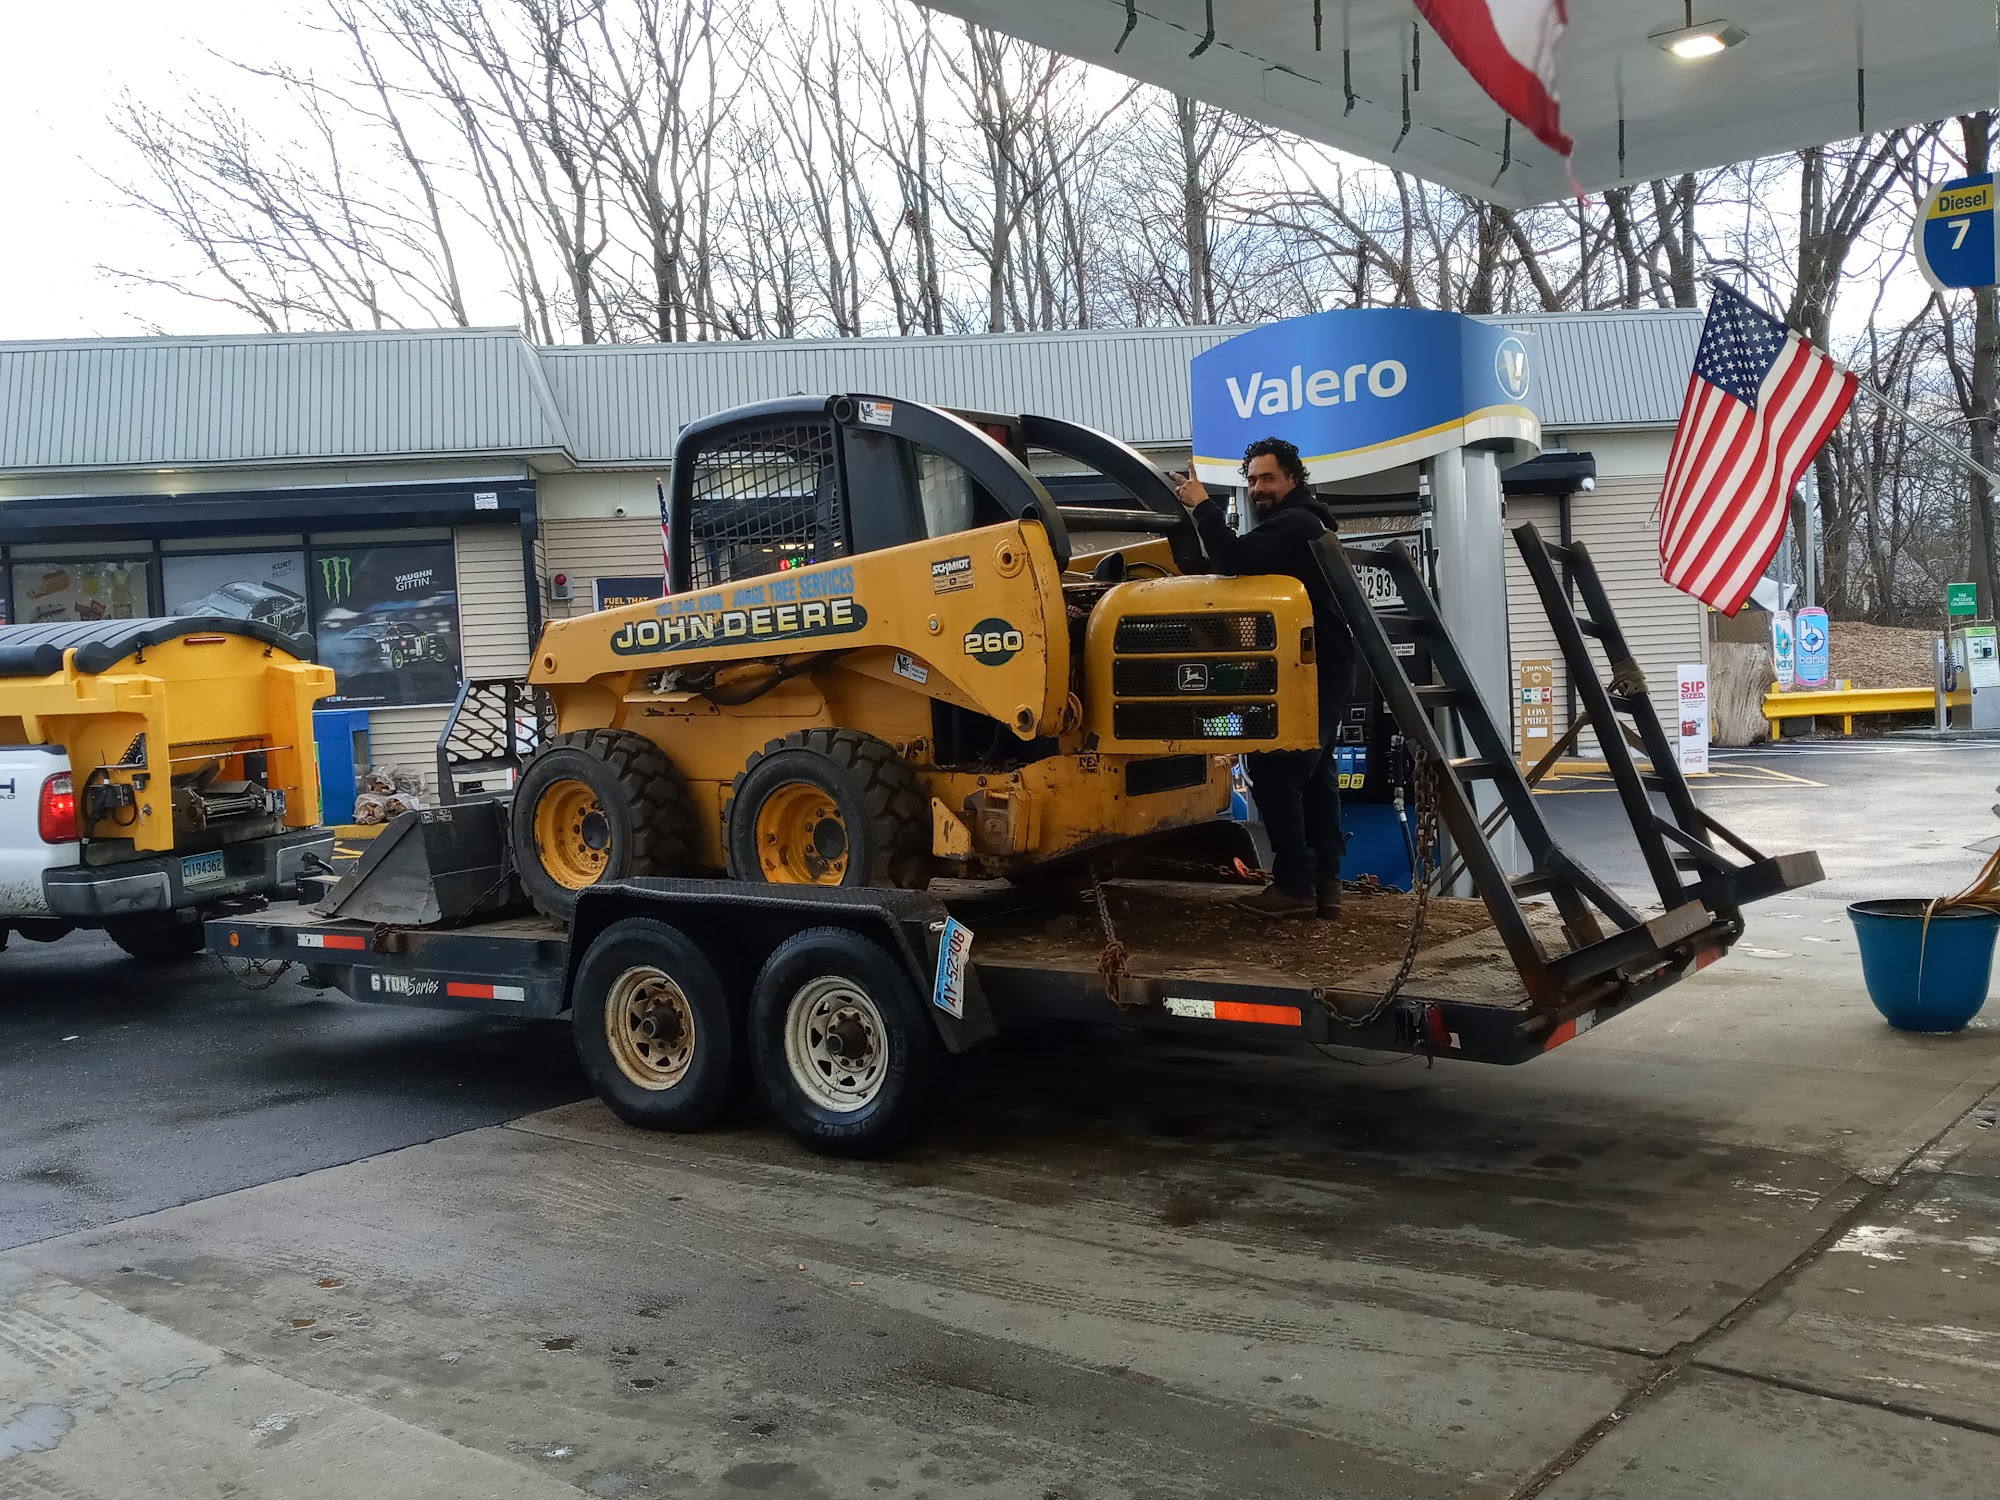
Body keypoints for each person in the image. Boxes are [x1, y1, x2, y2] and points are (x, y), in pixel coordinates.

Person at [1174, 437, 1356, 920]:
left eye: (1268, 478)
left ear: (1293, 478)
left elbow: (1232, 560)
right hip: (1317, 666)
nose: (1258, 488)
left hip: (1311, 669)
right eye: (1252, 480)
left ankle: (1295, 886)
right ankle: (1325, 883)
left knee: (1275, 770)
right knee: (1315, 776)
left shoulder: (1296, 523)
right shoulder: (1305, 523)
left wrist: (1201, 506)